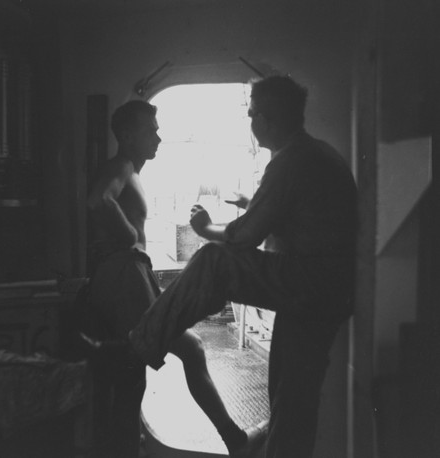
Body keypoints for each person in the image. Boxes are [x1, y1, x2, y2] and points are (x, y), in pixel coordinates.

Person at [129, 75, 358, 458]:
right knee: (291, 393)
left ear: (266, 121)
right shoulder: (314, 153)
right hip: (321, 290)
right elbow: (299, 218)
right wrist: (250, 202)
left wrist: (205, 229)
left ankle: (139, 344)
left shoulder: (292, 159)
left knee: (214, 260)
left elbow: (244, 237)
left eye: (252, 114)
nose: (250, 123)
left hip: (310, 283)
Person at [86, 100, 255, 458]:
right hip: (125, 275)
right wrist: (130, 238)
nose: (158, 137)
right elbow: (99, 199)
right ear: (128, 135)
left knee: (135, 370)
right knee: (183, 352)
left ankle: (131, 445)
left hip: (131, 275)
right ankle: (234, 441)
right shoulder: (122, 166)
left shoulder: (133, 171)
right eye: (151, 130)